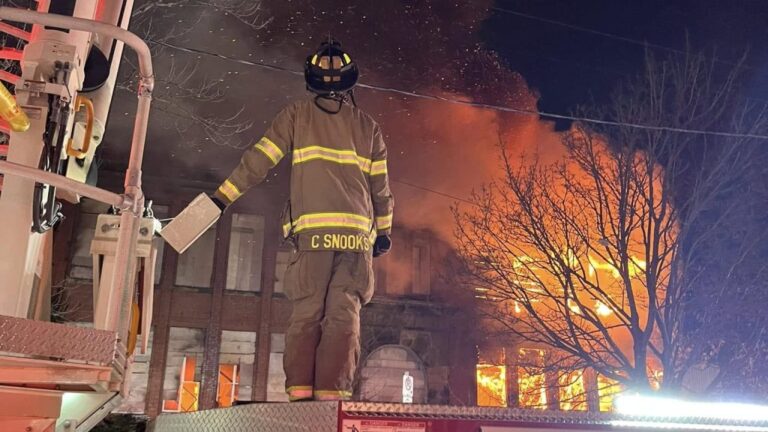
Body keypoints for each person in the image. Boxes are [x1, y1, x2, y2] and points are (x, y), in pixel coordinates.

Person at [211, 39, 394, 402]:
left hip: (312, 238)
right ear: (350, 82)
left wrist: (223, 197)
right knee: (344, 314)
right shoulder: (368, 126)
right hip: (356, 240)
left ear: (310, 79)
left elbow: (259, 160)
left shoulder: (296, 115)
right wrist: (384, 232)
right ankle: (332, 394)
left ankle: (300, 392)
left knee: (307, 311)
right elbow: (381, 189)